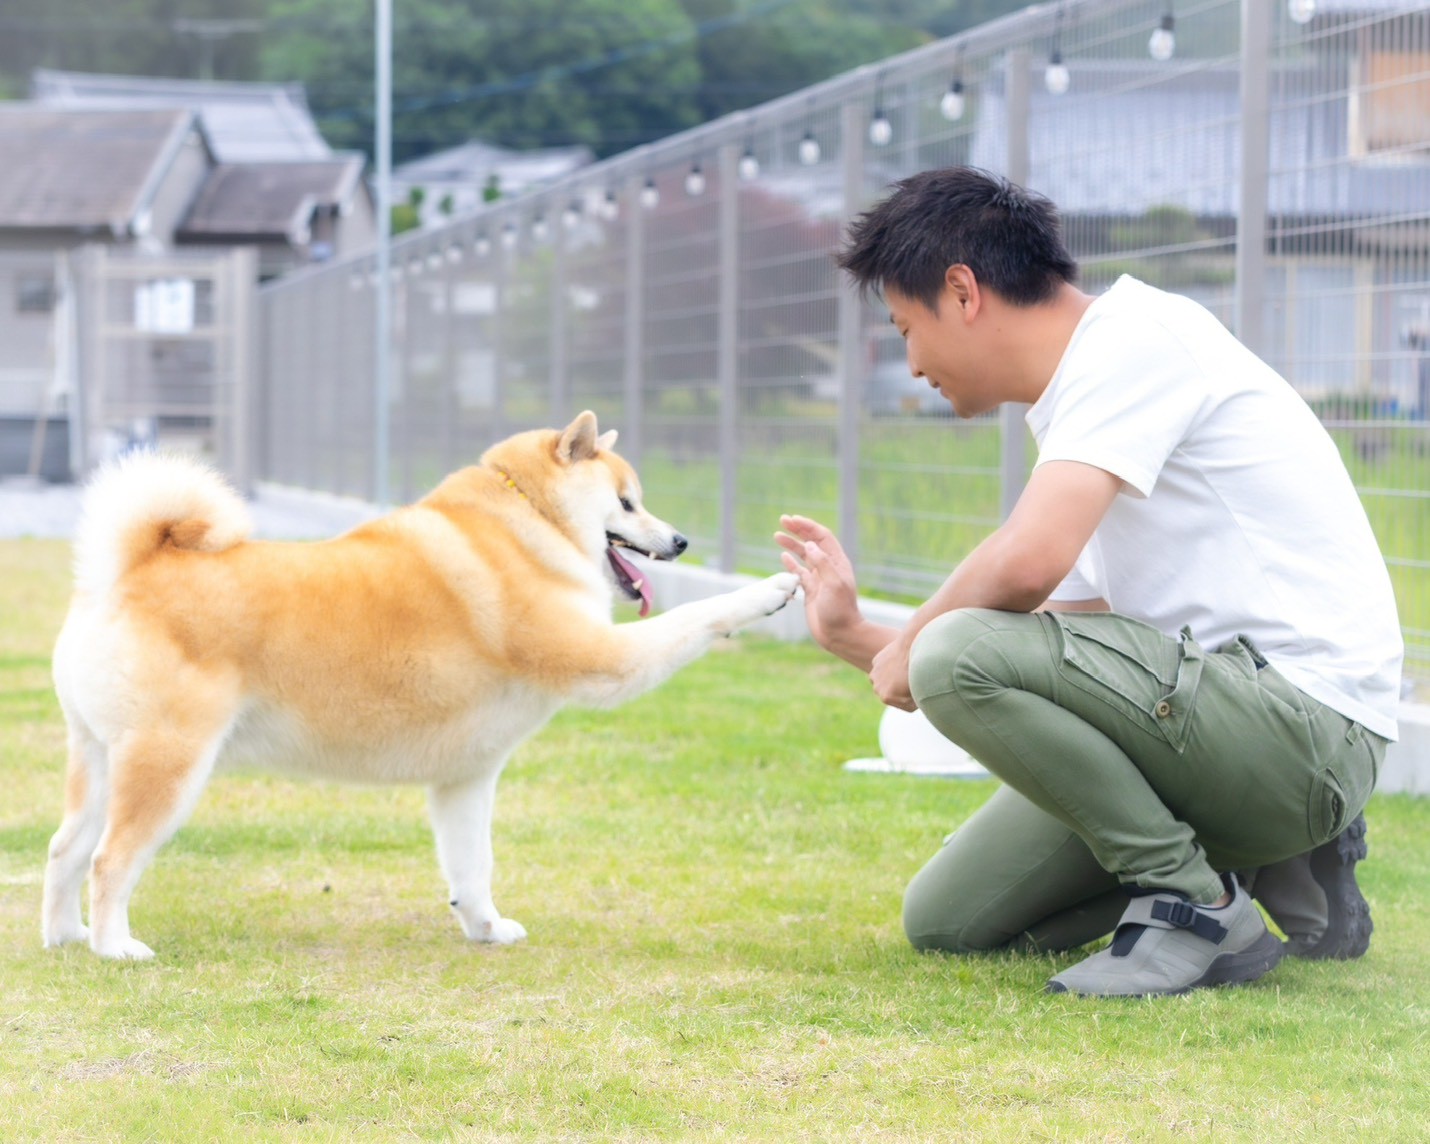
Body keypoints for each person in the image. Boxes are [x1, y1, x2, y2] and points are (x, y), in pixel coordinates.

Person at [776, 167, 1402, 998]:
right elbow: (1061, 650)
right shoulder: (1078, 419)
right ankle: (1262, 859)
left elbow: (1017, 581)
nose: (912, 362)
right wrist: (856, 637)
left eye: (903, 326)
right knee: (950, 920)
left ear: (962, 291)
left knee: (956, 646)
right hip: (1211, 727)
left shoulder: (1138, 339)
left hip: (1304, 723)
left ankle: (1198, 904)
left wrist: (921, 637)